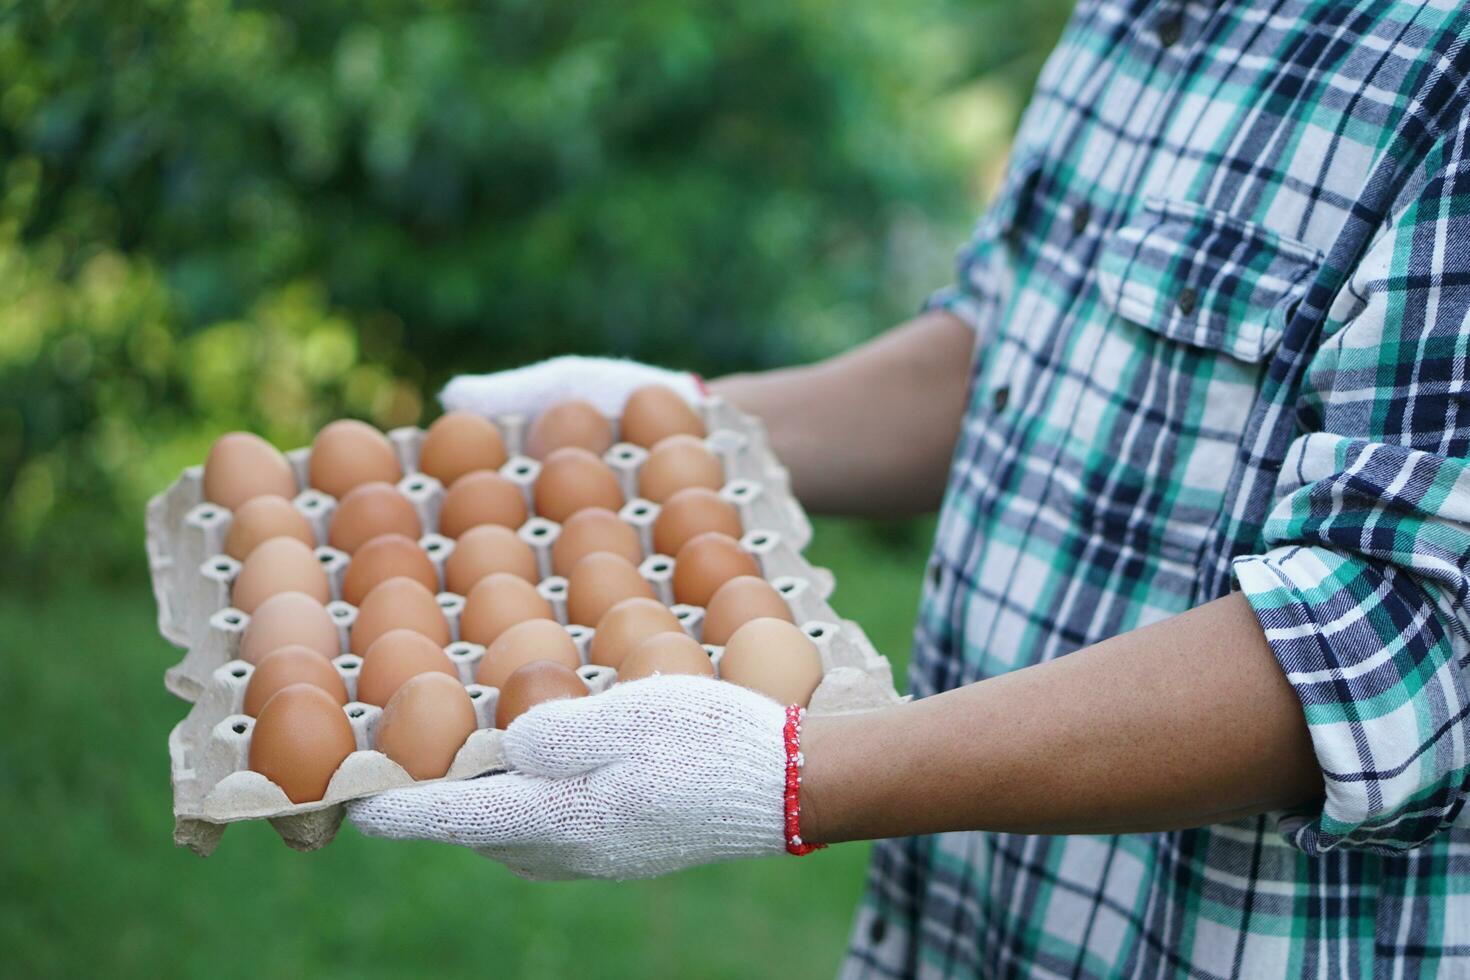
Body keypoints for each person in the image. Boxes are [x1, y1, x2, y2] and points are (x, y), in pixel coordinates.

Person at [349, 2, 1470, 975]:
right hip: (976, 910)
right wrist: (689, 428)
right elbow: (1025, 347)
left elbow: (1404, 633)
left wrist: (802, 775)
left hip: (1235, 937)